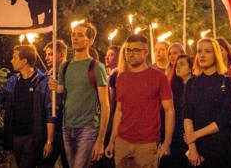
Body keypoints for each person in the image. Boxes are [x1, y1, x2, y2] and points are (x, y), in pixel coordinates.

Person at [0, 45, 54, 168]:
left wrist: (49, 141)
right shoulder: (13, 81)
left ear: (24, 61)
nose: (11, 60)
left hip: (33, 137)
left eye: (15, 57)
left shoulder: (43, 82)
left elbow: (50, 112)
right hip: (15, 137)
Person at [105, 35, 175, 168]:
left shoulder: (159, 78)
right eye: (128, 50)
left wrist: (167, 142)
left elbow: (169, 110)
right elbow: (119, 111)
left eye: (136, 50)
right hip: (122, 142)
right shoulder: (121, 77)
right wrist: (112, 141)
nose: (131, 54)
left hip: (147, 144)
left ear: (146, 52)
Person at [49, 21, 110, 168]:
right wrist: (54, 86)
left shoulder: (96, 67)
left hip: (88, 128)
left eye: (80, 35)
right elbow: (62, 91)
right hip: (67, 126)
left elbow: (105, 105)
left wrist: (100, 140)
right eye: (73, 35)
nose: (75, 38)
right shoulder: (65, 66)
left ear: (90, 40)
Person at [183, 38, 231, 168]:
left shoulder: (227, 82)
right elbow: (187, 115)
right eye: (199, 51)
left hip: (222, 145)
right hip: (199, 146)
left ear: (216, 54)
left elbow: (226, 118)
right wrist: (192, 147)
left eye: (207, 51)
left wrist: (195, 135)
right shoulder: (192, 83)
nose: (202, 55)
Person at [39, 40, 69, 168]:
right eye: (46, 54)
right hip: (51, 128)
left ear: (61, 55)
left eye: (50, 54)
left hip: (69, 128)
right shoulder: (47, 76)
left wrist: (61, 90)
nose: (46, 57)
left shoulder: (71, 73)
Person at [159, 54, 192, 168]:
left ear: (191, 67)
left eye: (182, 64)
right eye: (177, 65)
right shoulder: (172, 88)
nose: (178, 67)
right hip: (175, 135)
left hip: (191, 135)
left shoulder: (197, 87)